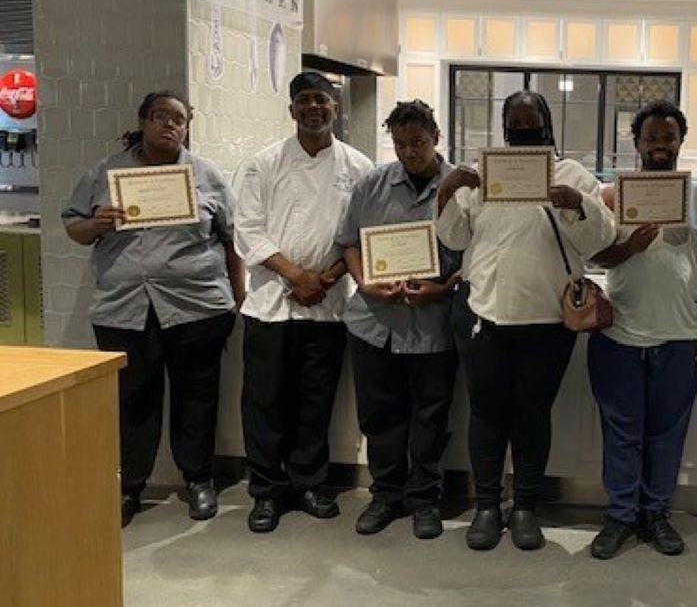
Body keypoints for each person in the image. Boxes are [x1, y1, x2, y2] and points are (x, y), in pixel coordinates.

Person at [436, 90, 616, 551]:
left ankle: (525, 507)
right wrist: (447, 190)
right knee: (486, 413)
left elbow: (599, 240)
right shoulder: (483, 174)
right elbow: (454, 235)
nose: (522, 133)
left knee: (533, 414)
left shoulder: (573, 174)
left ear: (546, 125)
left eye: (530, 124)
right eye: (514, 127)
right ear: (504, 129)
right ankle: (488, 506)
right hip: (484, 315)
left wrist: (576, 203)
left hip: (548, 321)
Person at [62, 90, 242, 528]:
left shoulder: (206, 174)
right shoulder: (106, 172)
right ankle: (129, 488)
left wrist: (238, 295)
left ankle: (198, 479)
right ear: (143, 120)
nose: (170, 125)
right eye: (161, 116)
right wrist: (97, 223)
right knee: (132, 400)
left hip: (198, 306)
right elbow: (74, 228)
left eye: (179, 119)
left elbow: (231, 237)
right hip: (125, 310)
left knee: (196, 397)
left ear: (187, 126)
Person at [234, 72, 375, 533]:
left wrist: (325, 279)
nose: (314, 108)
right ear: (292, 109)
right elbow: (248, 230)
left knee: (316, 401)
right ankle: (266, 492)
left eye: (323, 100)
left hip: (328, 304)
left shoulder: (358, 166)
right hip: (271, 302)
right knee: (265, 401)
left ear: (336, 108)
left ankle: (309, 483)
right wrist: (296, 275)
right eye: (305, 101)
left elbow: (361, 235)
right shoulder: (264, 163)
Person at [585, 101, 697, 559]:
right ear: (636, 143)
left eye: (668, 137)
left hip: (680, 334)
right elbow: (595, 259)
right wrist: (629, 248)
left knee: (667, 432)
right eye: (651, 138)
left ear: (680, 140)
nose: (660, 145)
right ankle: (621, 515)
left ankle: (656, 513)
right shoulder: (610, 196)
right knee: (621, 430)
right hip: (619, 334)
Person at [335, 100, 461, 539]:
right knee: (380, 415)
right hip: (375, 324)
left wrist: (442, 288)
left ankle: (425, 498)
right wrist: (365, 281)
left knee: (431, 416)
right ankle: (386, 494)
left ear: (436, 138)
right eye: (402, 143)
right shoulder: (371, 185)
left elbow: (478, 256)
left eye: (420, 142)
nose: (411, 151)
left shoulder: (460, 187)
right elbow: (348, 242)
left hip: (434, 326)